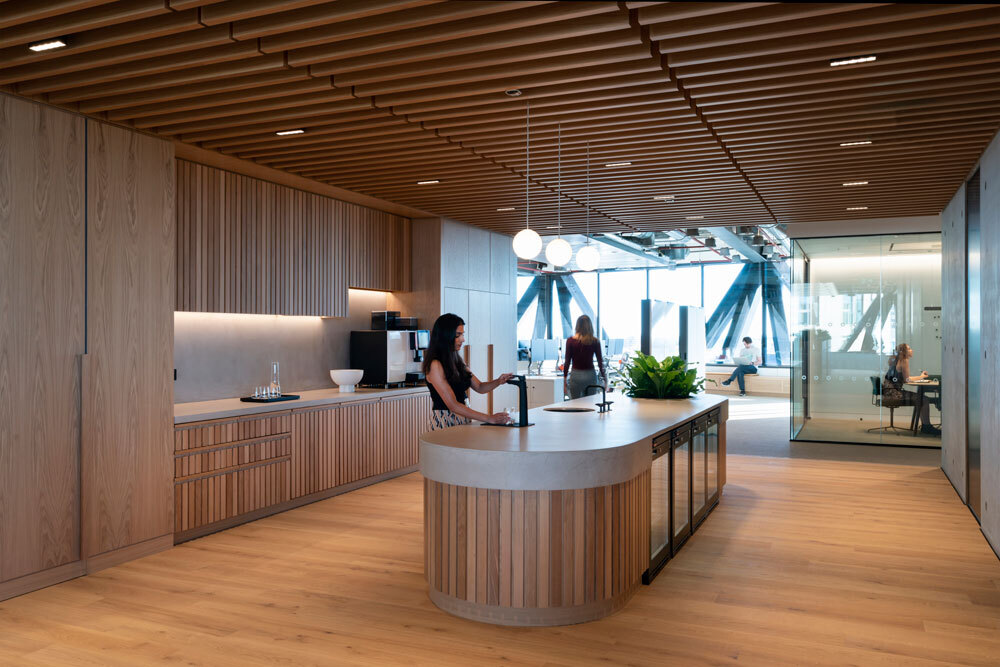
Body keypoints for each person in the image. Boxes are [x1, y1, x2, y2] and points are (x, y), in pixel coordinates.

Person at [423, 313, 513, 430]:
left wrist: (498, 381)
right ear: (445, 337)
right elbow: (453, 405)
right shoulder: (435, 365)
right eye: (458, 335)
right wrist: (489, 418)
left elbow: (480, 387)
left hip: (463, 419)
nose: (463, 339)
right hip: (444, 421)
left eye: (462, 334)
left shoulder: (458, 361)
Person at [883, 342, 940, 436]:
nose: (911, 350)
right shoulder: (904, 361)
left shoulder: (894, 359)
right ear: (904, 352)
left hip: (888, 391)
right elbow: (907, 380)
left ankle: (925, 425)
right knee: (924, 399)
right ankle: (926, 427)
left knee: (921, 398)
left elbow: (906, 378)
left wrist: (920, 377)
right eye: (909, 349)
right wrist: (921, 377)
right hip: (895, 393)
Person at [563, 315, 605, 399]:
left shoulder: (570, 341)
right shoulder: (595, 341)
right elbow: (600, 361)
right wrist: (605, 379)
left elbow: (567, 361)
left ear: (577, 326)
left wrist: (564, 379)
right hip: (590, 375)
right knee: (590, 404)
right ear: (590, 326)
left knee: (575, 404)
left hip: (576, 376)